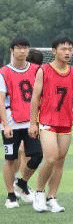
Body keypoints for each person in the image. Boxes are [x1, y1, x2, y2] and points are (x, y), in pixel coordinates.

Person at [28, 37, 73, 213]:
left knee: (60, 161)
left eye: (70, 49)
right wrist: (33, 123)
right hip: (47, 121)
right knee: (51, 157)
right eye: (63, 49)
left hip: (65, 122)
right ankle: (39, 193)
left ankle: (52, 197)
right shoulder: (44, 70)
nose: (67, 52)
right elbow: (35, 98)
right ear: (54, 51)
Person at [1, 38, 43, 208]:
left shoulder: (36, 70)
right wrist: (5, 124)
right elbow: (1, 100)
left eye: (25, 48)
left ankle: (22, 183)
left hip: (31, 122)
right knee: (10, 159)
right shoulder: (4, 72)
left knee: (38, 155)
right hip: (11, 122)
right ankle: (11, 195)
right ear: (12, 50)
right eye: (18, 48)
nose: (22, 51)